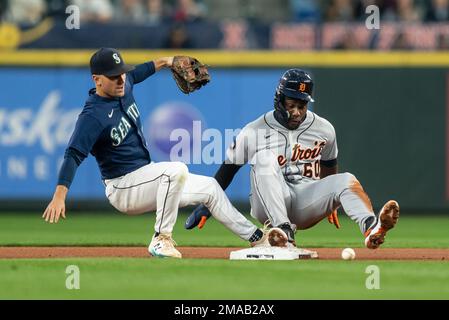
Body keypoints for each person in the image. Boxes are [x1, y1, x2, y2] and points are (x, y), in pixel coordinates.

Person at [42, 48, 287, 258]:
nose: (120, 79)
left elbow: (144, 69)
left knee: (211, 188)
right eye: (113, 76)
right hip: (122, 187)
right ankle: (161, 238)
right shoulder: (91, 117)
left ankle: (257, 238)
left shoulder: (124, 83)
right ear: (97, 80)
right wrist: (59, 196)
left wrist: (169, 61)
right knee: (175, 170)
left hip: (146, 175)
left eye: (121, 73)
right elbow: (73, 155)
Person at [185, 69, 400, 250]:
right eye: (291, 105)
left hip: (305, 200)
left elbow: (328, 167)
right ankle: (283, 232)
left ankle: (372, 227)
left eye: (302, 105)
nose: (297, 112)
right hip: (266, 204)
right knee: (264, 158)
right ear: (279, 101)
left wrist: (332, 202)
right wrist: (208, 204)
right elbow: (227, 171)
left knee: (346, 179)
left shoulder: (324, 129)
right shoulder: (253, 130)